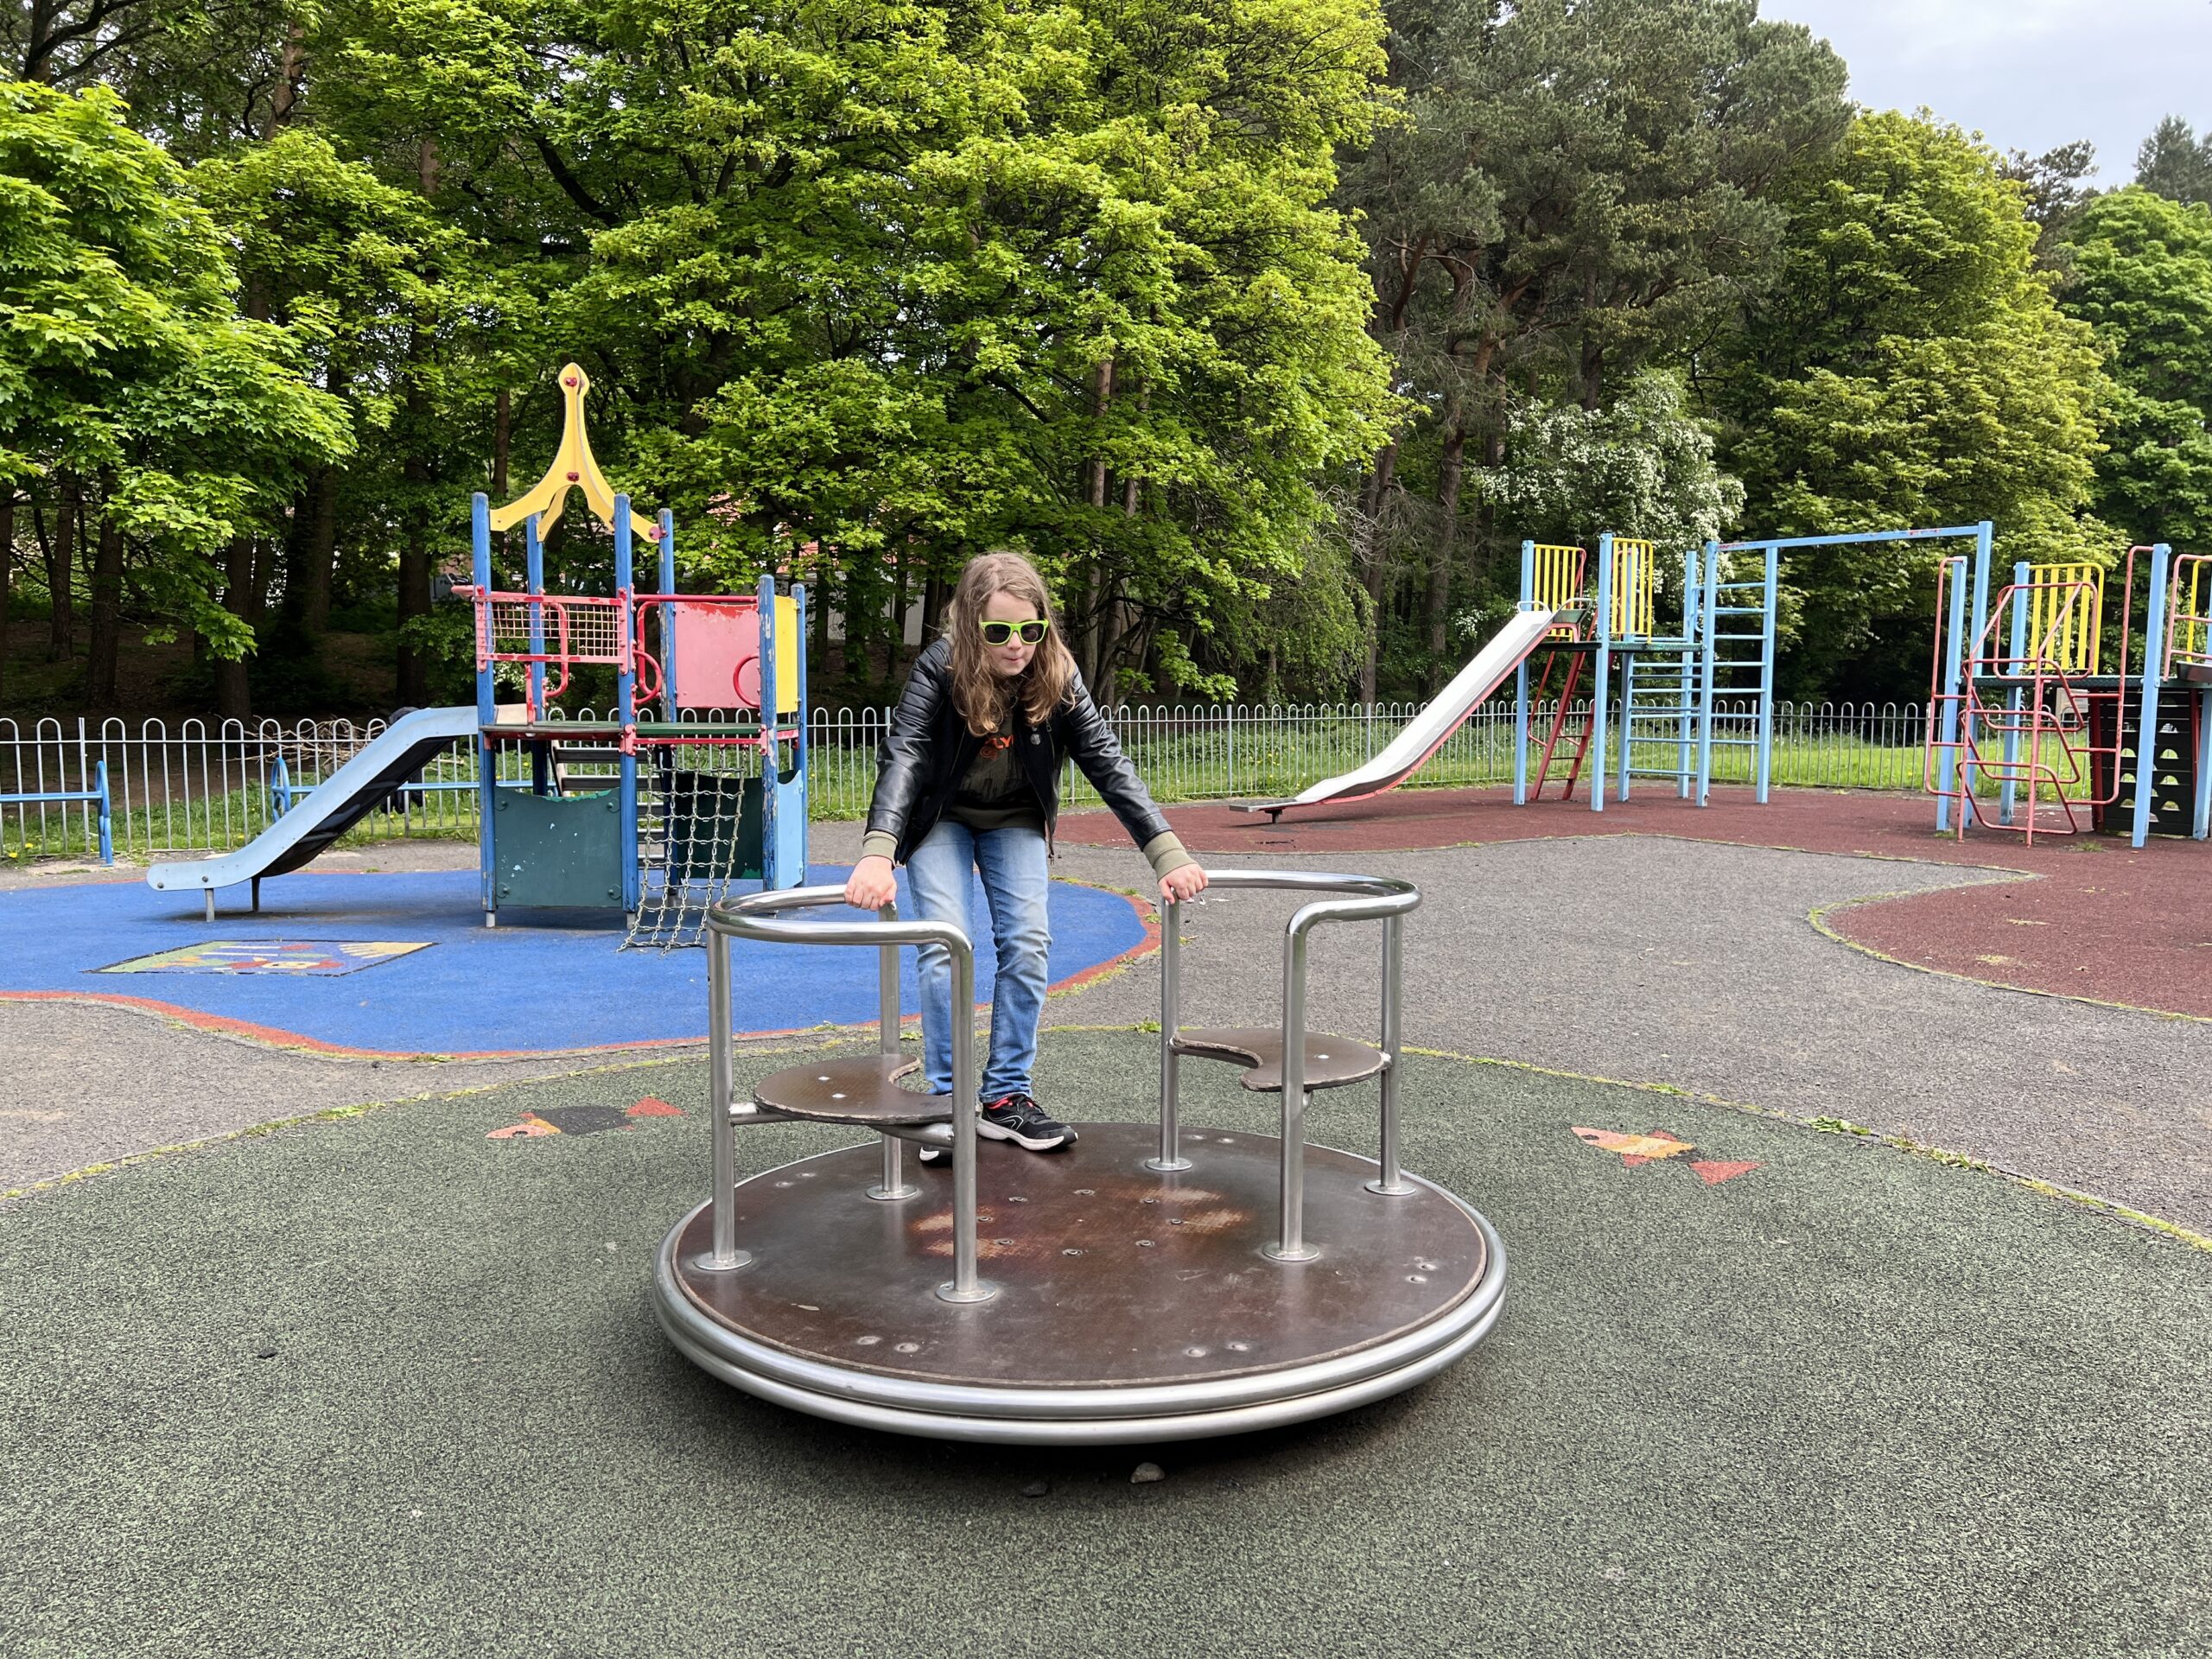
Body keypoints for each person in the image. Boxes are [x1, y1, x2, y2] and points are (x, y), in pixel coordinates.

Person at [843, 551, 1209, 1155]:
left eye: (1030, 630)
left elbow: (1107, 765)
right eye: (999, 632)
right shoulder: (939, 667)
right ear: (969, 628)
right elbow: (906, 754)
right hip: (941, 818)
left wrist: (1165, 852)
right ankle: (948, 1098)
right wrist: (879, 852)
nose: (1016, 645)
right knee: (944, 943)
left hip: (1014, 817)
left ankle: (1006, 1096)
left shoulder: (1058, 675)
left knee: (1029, 942)